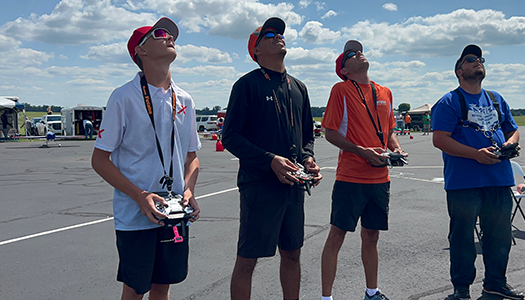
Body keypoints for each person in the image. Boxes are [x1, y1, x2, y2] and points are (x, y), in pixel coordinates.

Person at [90, 17, 201, 300]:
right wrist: (140, 196)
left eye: (171, 34)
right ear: (141, 51)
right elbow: (100, 160)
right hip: (135, 216)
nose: (169, 37)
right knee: (136, 288)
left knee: (163, 286)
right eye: (160, 34)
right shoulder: (123, 97)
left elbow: (192, 156)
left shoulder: (184, 100)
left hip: (174, 212)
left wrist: (188, 190)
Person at [222, 17, 322, 300]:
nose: (278, 36)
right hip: (260, 184)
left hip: (293, 185)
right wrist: (269, 160)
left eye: (279, 33)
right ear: (257, 51)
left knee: (292, 254)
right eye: (269, 34)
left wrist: (308, 159)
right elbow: (230, 136)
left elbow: (306, 136)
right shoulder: (247, 85)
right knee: (248, 259)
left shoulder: (299, 87)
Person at [431, 44, 523, 300]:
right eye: (471, 60)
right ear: (459, 71)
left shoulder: (496, 99)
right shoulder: (449, 101)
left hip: (499, 179)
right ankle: (461, 290)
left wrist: (509, 144)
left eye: (480, 59)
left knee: (499, 235)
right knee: (462, 238)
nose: (478, 62)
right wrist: (476, 154)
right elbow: (439, 139)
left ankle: (495, 283)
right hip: (464, 183)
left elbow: (512, 129)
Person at [320, 40, 406, 300]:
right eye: (350, 54)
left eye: (359, 50)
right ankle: (326, 297)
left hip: (380, 177)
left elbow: (389, 130)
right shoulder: (341, 90)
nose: (358, 53)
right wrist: (362, 151)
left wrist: (396, 149)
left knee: (372, 236)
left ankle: (372, 291)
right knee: (337, 235)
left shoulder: (385, 92)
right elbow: (330, 132)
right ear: (344, 69)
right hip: (351, 177)